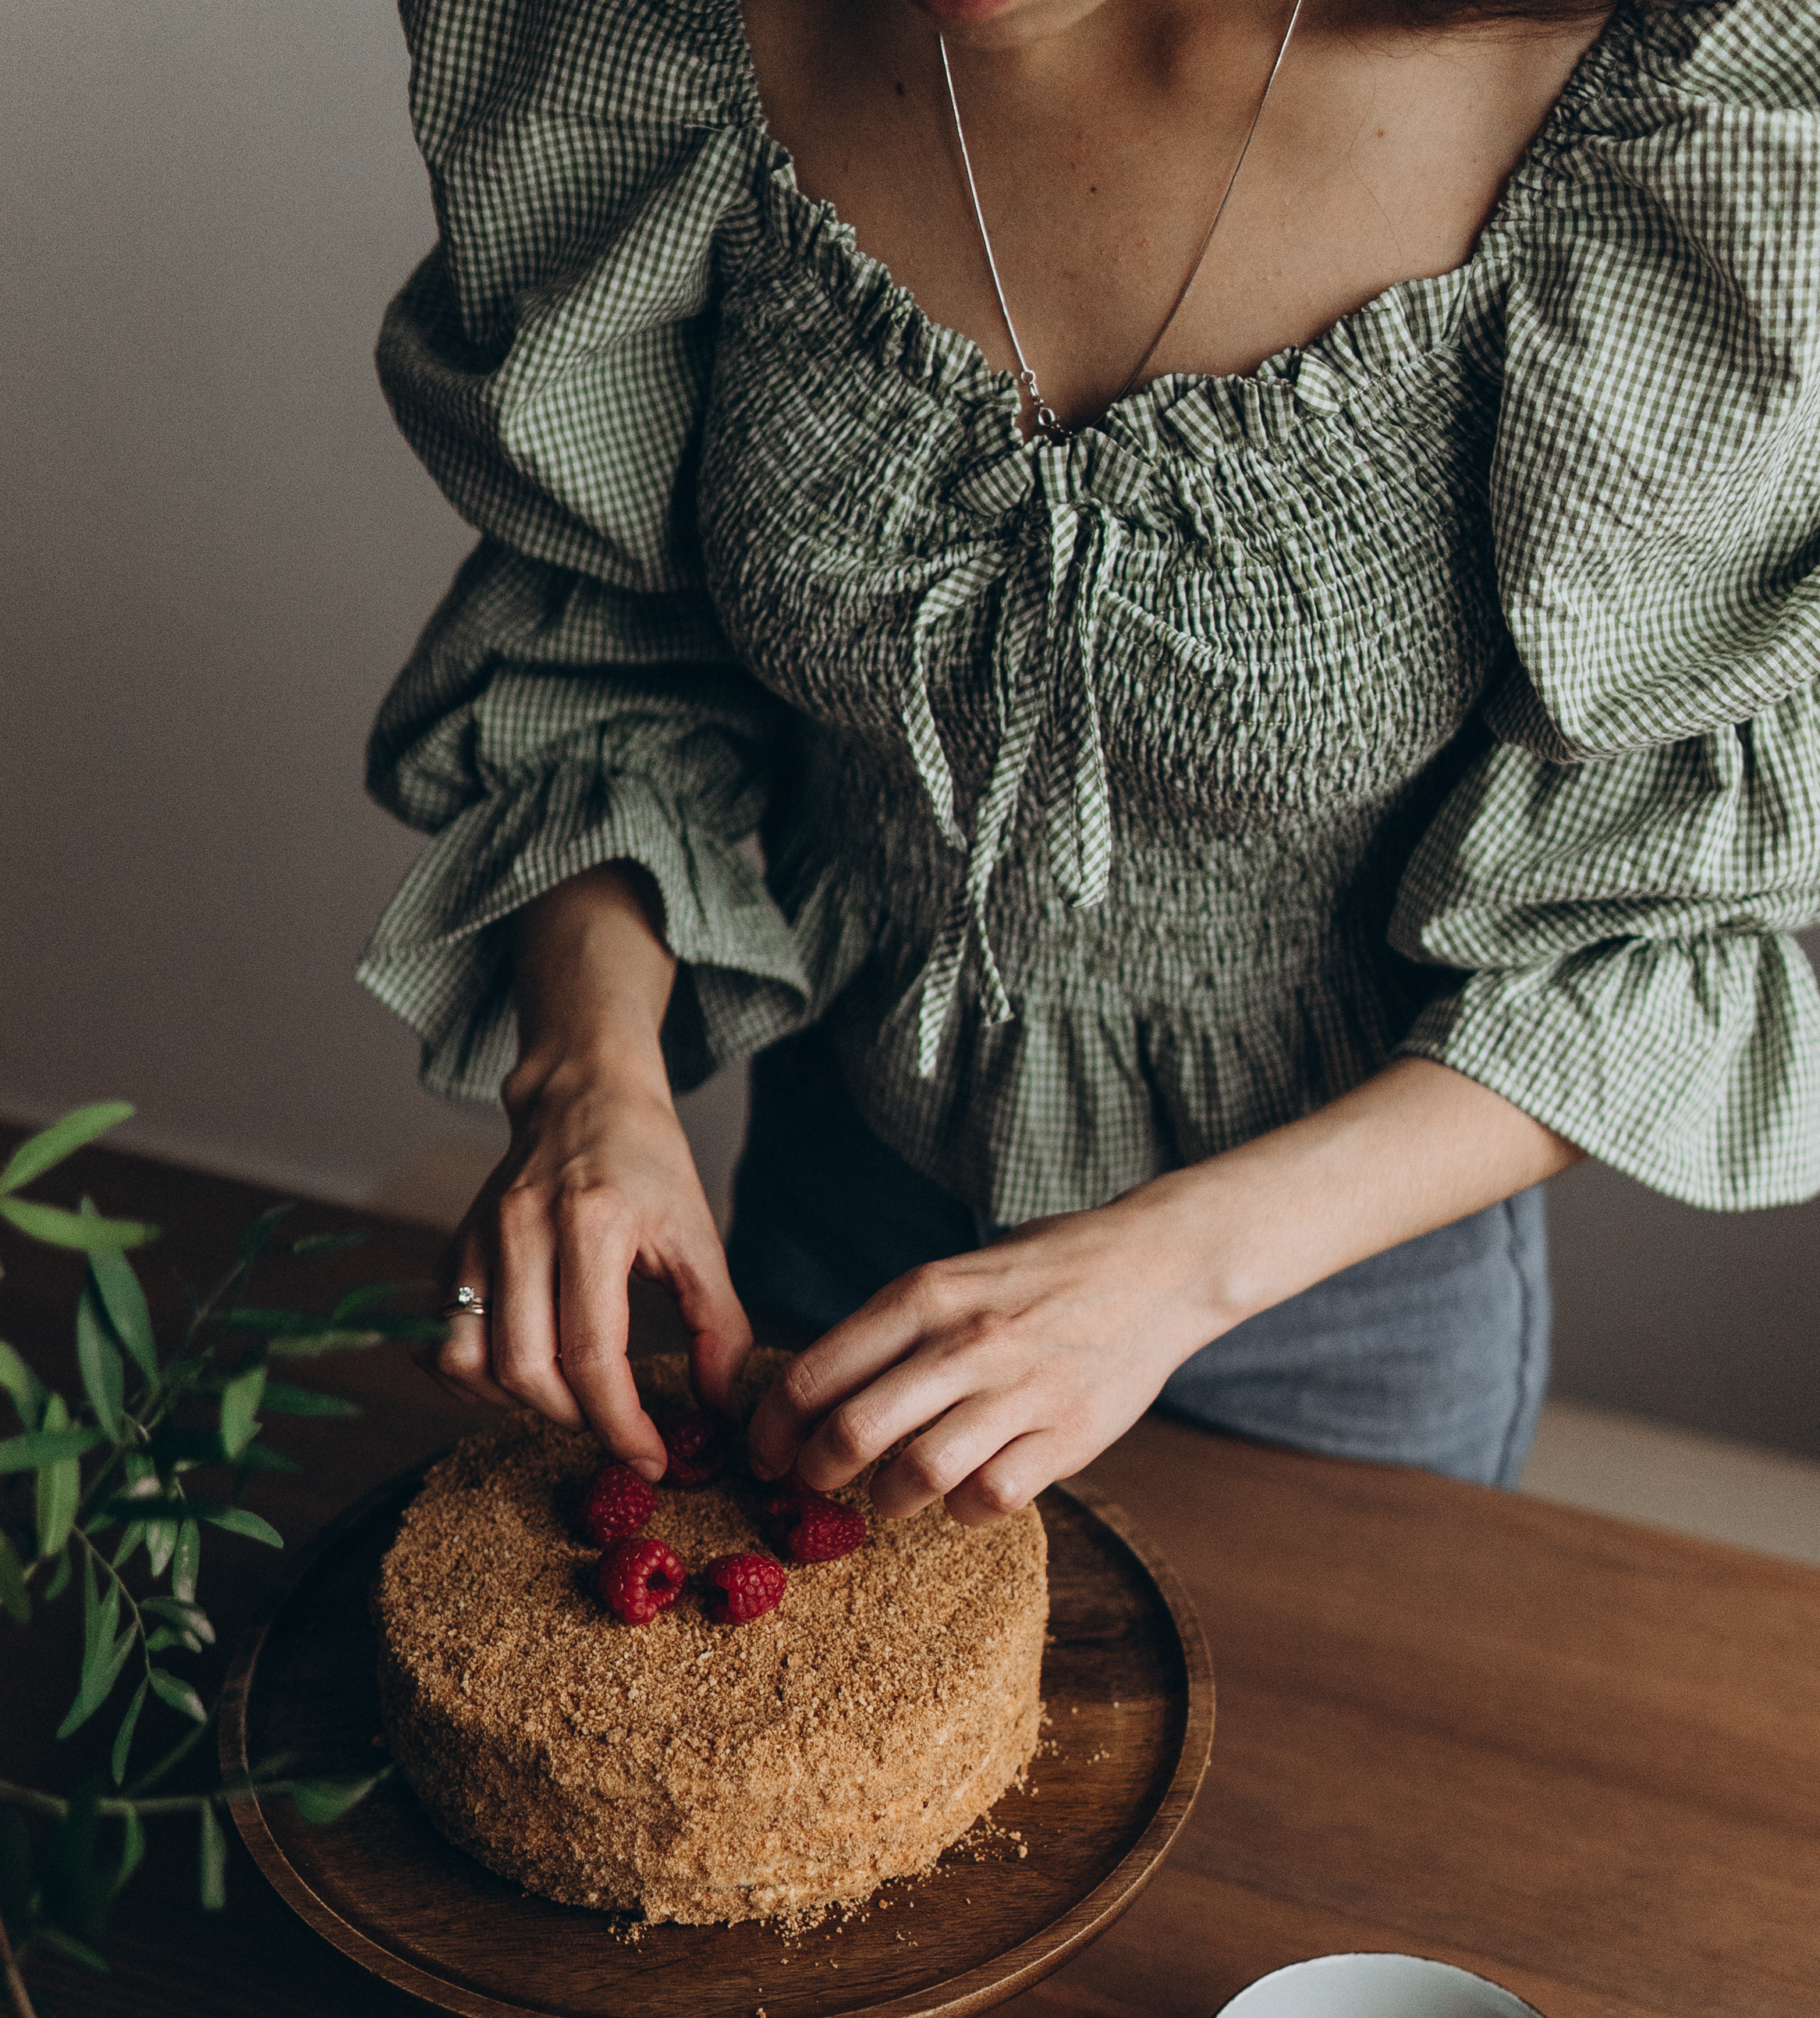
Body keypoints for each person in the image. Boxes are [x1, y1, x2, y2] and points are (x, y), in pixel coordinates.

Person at [358, 0, 1820, 1527]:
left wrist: (1174, 1270)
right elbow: (604, 659)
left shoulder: (1646, 115)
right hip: (831, 1208)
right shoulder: (653, 41)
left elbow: (1653, 929)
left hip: (1333, 1298)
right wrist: (590, 1072)